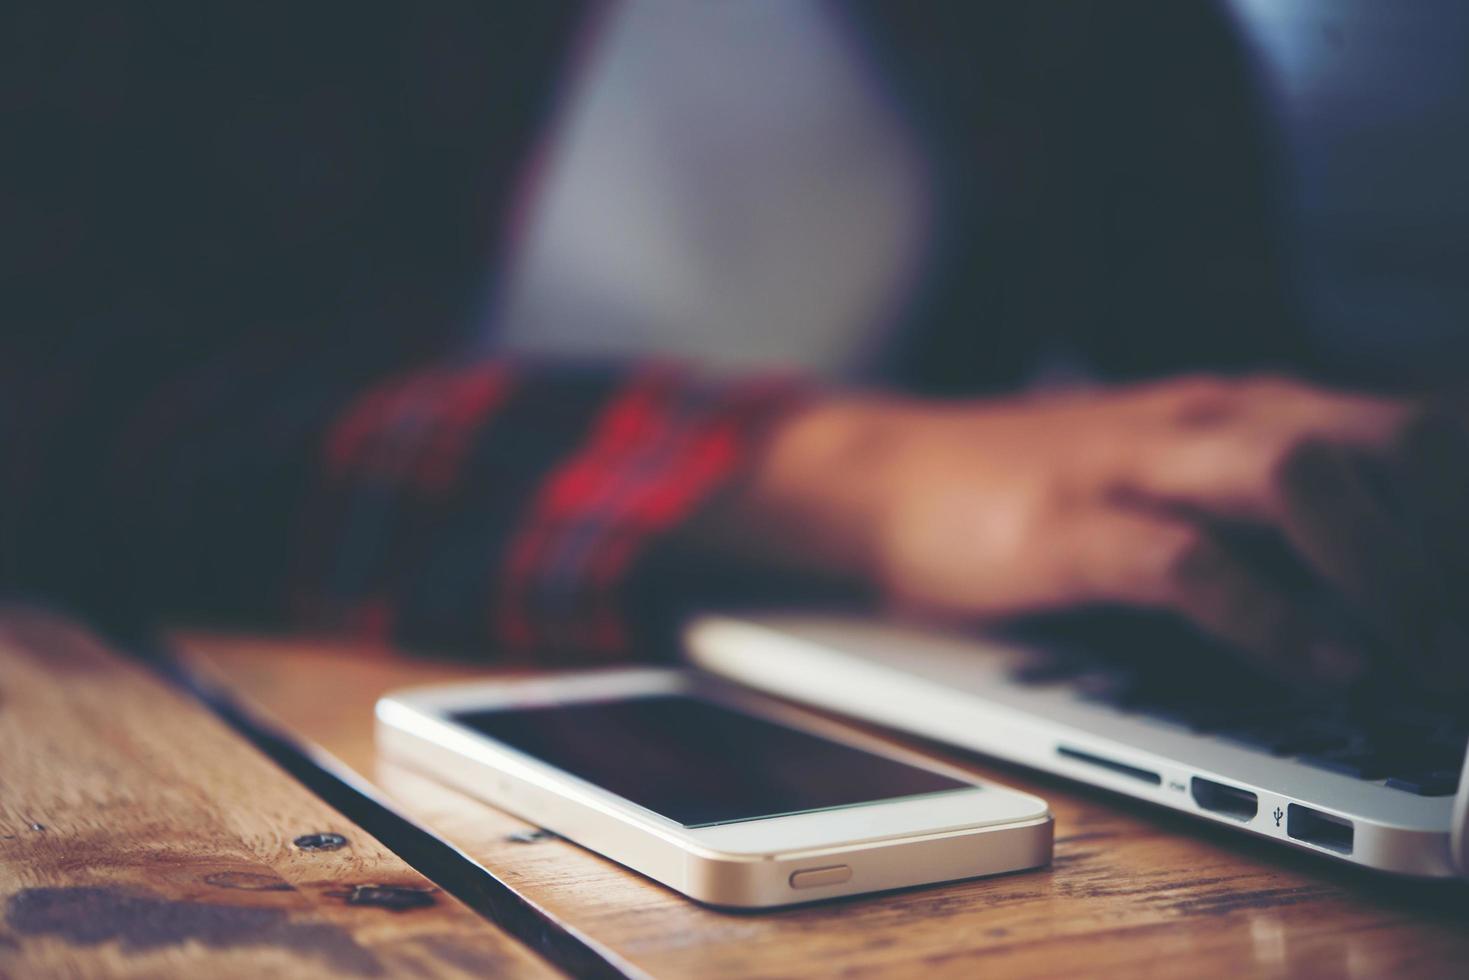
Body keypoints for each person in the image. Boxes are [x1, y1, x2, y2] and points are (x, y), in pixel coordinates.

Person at [4, 3, 1466, 692]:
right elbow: (61, 415)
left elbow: (1230, 400)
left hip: (905, 699)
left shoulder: (1095, 39)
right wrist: (852, 480)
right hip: (254, 712)